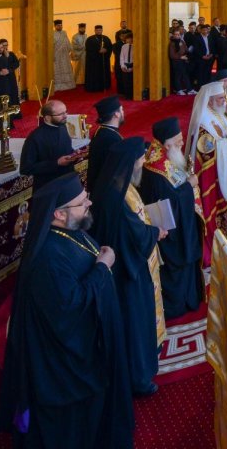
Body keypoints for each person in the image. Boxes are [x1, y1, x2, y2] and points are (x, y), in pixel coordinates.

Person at [0, 173, 134, 448]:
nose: (90, 203)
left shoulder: (70, 233)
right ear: (59, 213)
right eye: (82, 202)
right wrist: (103, 267)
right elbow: (69, 307)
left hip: (85, 350)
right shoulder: (48, 256)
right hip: (65, 368)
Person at [87, 136, 166, 396]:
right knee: (134, 323)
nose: (144, 163)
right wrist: (155, 233)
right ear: (130, 163)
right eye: (141, 159)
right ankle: (139, 378)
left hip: (121, 265)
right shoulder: (117, 197)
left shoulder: (114, 185)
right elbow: (134, 235)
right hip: (128, 271)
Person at [140, 118, 204, 320]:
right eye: (178, 141)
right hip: (173, 232)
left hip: (182, 223)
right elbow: (171, 202)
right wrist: (190, 185)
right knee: (177, 264)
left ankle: (190, 296)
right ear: (166, 145)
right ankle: (179, 304)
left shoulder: (165, 156)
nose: (181, 143)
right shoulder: (156, 170)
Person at [187, 81, 227, 240]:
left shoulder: (218, 111)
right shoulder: (203, 121)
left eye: (224, 98)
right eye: (220, 98)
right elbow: (205, 151)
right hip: (216, 175)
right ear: (210, 100)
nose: (224, 101)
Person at [19, 100, 85, 190]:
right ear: (47, 117)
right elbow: (26, 168)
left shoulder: (62, 126)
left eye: (66, 112)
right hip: (49, 186)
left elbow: (64, 149)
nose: (65, 116)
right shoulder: (35, 137)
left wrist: (74, 154)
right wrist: (56, 163)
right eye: (61, 114)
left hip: (68, 180)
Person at [87, 95, 123, 183]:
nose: (123, 112)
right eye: (122, 110)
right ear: (116, 114)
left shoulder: (103, 130)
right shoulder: (111, 138)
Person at [83, 25, 113, 92]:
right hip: (94, 62)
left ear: (102, 30)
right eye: (97, 30)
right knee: (95, 74)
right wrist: (98, 51)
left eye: (100, 30)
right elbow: (88, 49)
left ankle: (105, 86)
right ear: (95, 30)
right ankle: (95, 87)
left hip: (104, 60)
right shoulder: (90, 39)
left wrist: (106, 50)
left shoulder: (106, 38)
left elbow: (110, 47)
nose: (99, 31)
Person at [51, 19, 76, 92]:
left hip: (65, 55)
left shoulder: (64, 33)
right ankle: (58, 86)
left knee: (66, 68)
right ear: (55, 26)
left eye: (61, 25)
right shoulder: (52, 34)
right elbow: (51, 45)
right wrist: (52, 54)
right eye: (58, 25)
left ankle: (68, 85)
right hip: (57, 55)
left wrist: (71, 50)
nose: (60, 26)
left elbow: (67, 42)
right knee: (57, 69)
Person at [168, 26, 193, 95]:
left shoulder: (182, 41)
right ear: (173, 35)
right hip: (176, 62)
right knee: (177, 76)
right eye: (175, 34)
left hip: (183, 61)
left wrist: (187, 55)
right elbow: (172, 55)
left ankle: (189, 89)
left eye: (178, 34)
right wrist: (181, 57)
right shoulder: (172, 43)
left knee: (185, 75)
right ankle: (179, 90)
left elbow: (186, 49)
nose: (177, 36)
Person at [116, 30, 134, 99]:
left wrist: (133, 68)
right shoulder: (124, 46)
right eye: (128, 38)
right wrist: (122, 66)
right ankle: (127, 95)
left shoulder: (136, 47)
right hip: (125, 65)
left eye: (131, 38)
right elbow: (121, 57)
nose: (129, 40)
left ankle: (132, 95)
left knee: (132, 82)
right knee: (126, 82)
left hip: (133, 66)